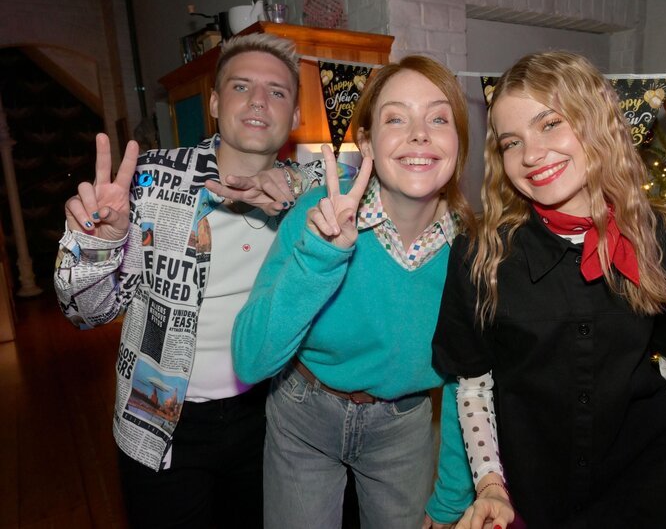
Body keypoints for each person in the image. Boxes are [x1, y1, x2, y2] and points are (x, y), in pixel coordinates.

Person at [432, 51, 666, 529]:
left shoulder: (665, 241)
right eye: (511, 142)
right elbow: (474, 386)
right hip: (531, 499)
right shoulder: (480, 255)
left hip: (645, 490)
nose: (532, 155)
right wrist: (490, 485)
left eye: (551, 124)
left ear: (596, 121)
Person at [54, 33, 326, 528]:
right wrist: (98, 244)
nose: (260, 100)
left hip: (273, 416)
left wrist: (299, 189)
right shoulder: (151, 181)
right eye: (242, 86)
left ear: (295, 116)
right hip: (162, 421)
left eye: (278, 91)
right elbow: (85, 313)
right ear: (217, 103)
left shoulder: (315, 195)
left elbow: (376, 195)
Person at [231, 55, 475, 529]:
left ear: (458, 141)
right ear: (366, 141)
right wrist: (320, 257)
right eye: (396, 117)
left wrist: (450, 497)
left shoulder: (472, 248)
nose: (419, 134)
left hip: (404, 428)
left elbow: (466, 380)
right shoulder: (318, 214)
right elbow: (249, 358)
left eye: (439, 118)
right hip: (304, 413)